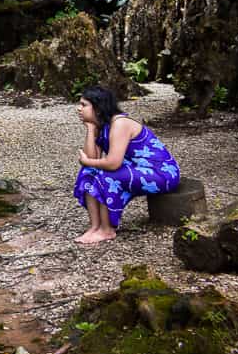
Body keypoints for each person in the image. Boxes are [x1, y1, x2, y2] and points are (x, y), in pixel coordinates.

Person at [73, 84, 180, 244]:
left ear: (98, 107)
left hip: (161, 173)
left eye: (84, 105)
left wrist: (88, 161)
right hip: (135, 170)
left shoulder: (120, 123)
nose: (78, 109)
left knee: (106, 175)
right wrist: (90, 128)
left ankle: (106, 230)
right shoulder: (102, 125)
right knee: (88, 173)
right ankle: (95, 227)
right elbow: (92, 158)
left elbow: (113, 164)